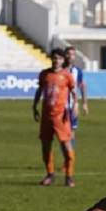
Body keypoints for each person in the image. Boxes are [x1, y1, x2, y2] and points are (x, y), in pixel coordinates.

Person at [32, 48, 77, 186]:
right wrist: (34, 106)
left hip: (61, 117)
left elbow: (74, 92)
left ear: (63, 60)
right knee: (46, 146)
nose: (56, 61)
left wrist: (75, 106)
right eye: (54, 58)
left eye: (59, 58)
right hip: (46, 116)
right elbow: (40, 91)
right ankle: (50, 174)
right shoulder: (44, 74)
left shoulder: (67, 76)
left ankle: (69, 176)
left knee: (67, 147)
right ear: (51, 59)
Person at [57, 45, 89, 187]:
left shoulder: (78, 71)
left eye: (73, 54)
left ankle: (68, 162)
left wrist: (84, 103)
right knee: (63, 137)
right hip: (60, 109)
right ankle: (66, 160)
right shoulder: (60, 70)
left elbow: (82, 87)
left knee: (71, 135)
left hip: (72, 108)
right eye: (68, 54)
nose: (71, 56)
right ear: (65, 56)